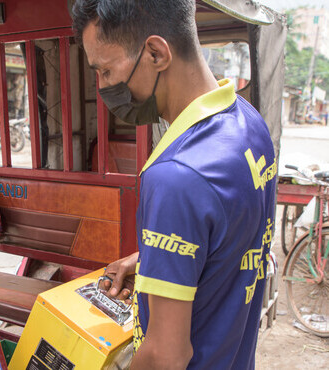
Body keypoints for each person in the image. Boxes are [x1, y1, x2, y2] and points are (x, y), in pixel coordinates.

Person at [73, 1, 277, 369]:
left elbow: (166, 356)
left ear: (156, 52)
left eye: (105, 70)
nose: (103, 87)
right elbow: (231, 238)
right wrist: (151, 259)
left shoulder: (176, 175)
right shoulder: (248, 123)